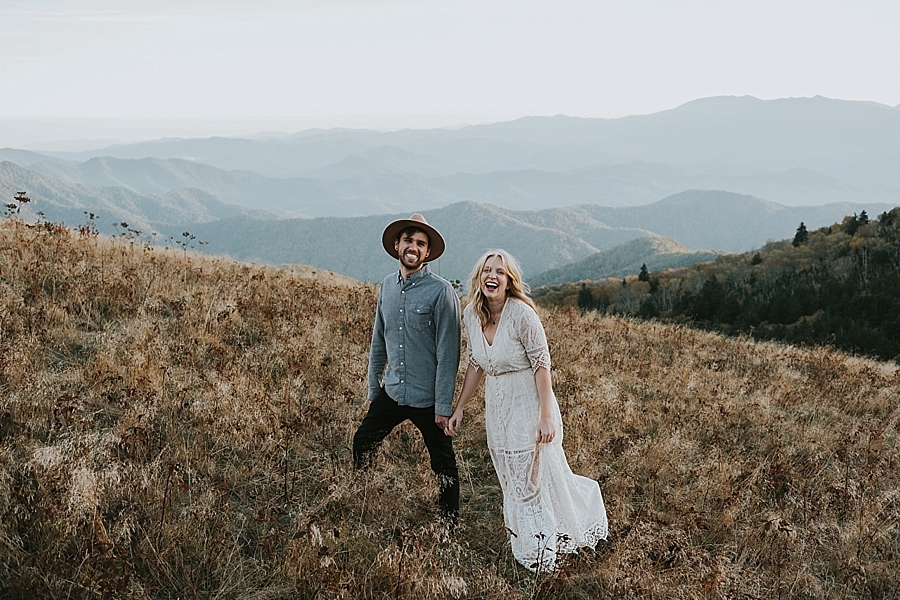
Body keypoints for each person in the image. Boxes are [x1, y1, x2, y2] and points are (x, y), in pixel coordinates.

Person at [446, 249, 607, 570]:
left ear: (509, 281)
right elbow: (476, 363)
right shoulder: (470, 315)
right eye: (487, 271)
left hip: (529, 404)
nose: (492, 276)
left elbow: (542, 364)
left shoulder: (522, 314)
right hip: (498, 409)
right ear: (478, 278)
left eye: (500, 272)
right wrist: (459, 407)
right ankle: (527, 541)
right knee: (510, 478)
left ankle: (542, 553)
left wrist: (546, 416)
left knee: (528, 480)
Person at [353, 213, 462, 526]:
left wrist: (443, 406)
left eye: (420, 243)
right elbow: (378, 343)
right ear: (397, 245)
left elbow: (448, 353)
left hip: (427, 399)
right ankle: (361, 497)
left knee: (443, 464)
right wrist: (375, 391)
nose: (413, 247)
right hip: (393, 390)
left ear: (427, 253)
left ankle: (449, 526)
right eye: (409, 241)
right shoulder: (387, 286)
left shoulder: (442, 293)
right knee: (363, 440)